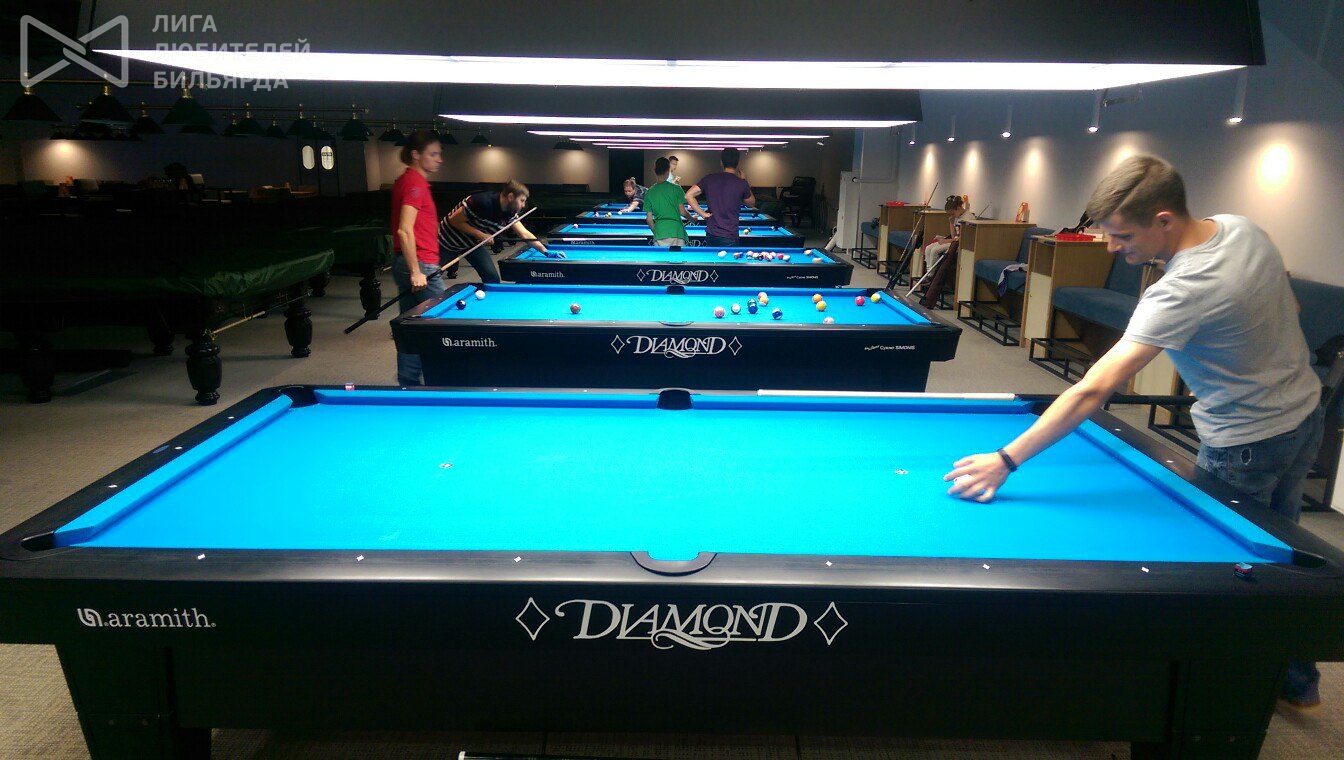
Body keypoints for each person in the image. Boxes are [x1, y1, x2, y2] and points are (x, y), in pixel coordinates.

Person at [943, 154, 1327, 709]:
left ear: (1164, 219)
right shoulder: (1242, 228)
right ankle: (1296, 679)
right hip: (1305, 413)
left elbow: (1093, 389)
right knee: (1286, 550)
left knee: (1226, 572)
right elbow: (1288, 303)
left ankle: (1209, 699)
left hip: (1246, 437)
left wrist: (1006, 460)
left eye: (1122, 235)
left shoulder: (1180, 290)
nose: (1110, 247)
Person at [390, 130, 444, 386]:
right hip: (420, 264)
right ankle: (445, 382)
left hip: (412, 262)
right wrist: (416, 271)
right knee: (444, 325)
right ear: (416, 154)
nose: (439, 159)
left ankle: (409, 383)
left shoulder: (408, 180)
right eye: (433, 154)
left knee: (411, 327)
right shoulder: (415, 183)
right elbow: (404, 230)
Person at [439, 180, 551, 283]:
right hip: (446, 242)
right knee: (432, 278)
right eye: (522, 200)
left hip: (472, 244)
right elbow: (454, 221)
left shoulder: (510, 212)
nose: (523, 205)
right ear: (511, 197)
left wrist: (546, 251)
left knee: (492, 279)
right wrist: (480, 235)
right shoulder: (482, 202)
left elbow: (525, 234)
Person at [686, 148, 755, 248]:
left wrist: (702, 214)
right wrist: (745, 181)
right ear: (737, 163)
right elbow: (751, 203)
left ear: (721, 162)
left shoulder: (709, 179)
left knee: (711, 258)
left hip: (711, 233)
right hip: (729, 236)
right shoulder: (741, 183)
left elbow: (688, 195)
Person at [644, 156, 690, 246]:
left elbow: (649, 219)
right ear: (668, 170)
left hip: (660, 233)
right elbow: (683, 212)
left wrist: (657, 233)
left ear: (654, 170)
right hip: (677, 232)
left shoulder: (649, 192)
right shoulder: (677, 188)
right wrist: (693, 219)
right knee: (678, 256)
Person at [923, 195, 972, 271]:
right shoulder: (957, 217)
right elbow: (953, 236)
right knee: (928, 248)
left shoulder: (968, 218)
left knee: (934, 250)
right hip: (954, 241)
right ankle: (928, 271)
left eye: (953, 214)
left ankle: (931, 274)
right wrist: (951, 223)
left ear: (959, 208)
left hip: (960, 245)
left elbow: (962, 239)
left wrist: (946, 241)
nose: (952, 216)